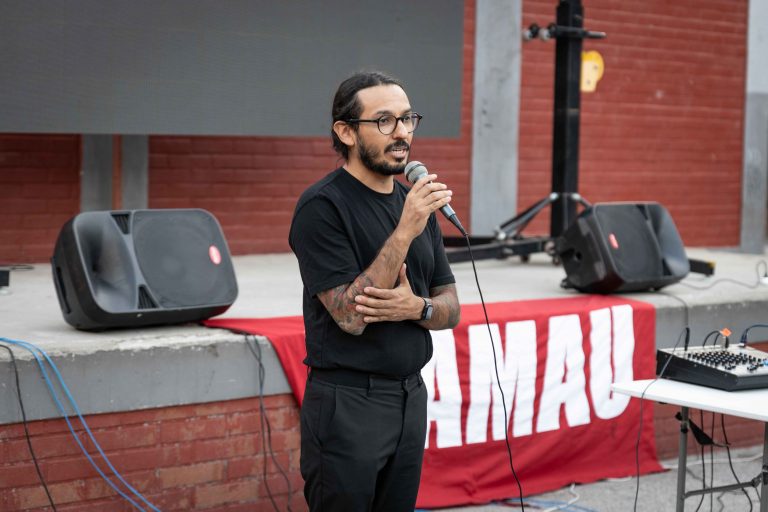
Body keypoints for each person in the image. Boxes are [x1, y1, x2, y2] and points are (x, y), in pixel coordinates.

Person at [288, 70, 461, 511]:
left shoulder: (416, 202)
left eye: (407, 119)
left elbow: (450, 307)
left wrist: (416, 309)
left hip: (409, 396)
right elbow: (348, 315)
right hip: (348, 403)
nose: (402, 133)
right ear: (345, 132)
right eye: (384, 121)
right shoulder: (322, 207)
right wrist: (404, 230)